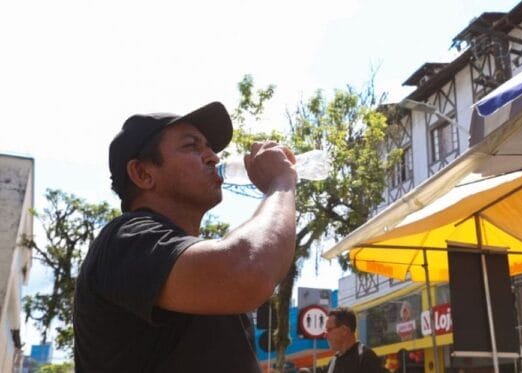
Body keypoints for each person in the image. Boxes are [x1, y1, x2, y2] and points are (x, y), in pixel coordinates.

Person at [73, 102, 298, 372]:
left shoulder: (201, 269)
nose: (213, 157)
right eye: (192, 146)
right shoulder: (126, 239)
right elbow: (250, 271)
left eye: (210, 148)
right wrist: (281, 184)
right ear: (143, 173)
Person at [324, 307, 384, 373]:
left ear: (344, 330)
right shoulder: (332, 363)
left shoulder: (365, 357)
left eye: (329, 330)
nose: (325, 335)